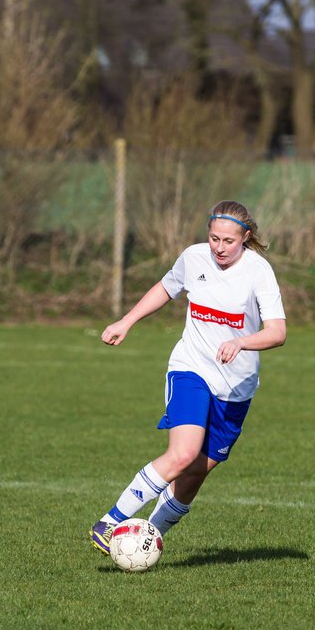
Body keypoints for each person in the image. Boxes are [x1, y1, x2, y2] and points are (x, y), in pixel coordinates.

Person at [90, 200, 287, 554]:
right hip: (191, 368)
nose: (220, 247)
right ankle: (110, 523)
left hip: (236, 387)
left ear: (245, 237)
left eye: (229, 241)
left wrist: (241, 342)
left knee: (195, 472)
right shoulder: (193, 257)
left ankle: (146, 538)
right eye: (214, 238)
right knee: (182, 455)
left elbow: (277, 332)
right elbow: (166, 288)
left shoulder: (259, 272)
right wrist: (126, 321)